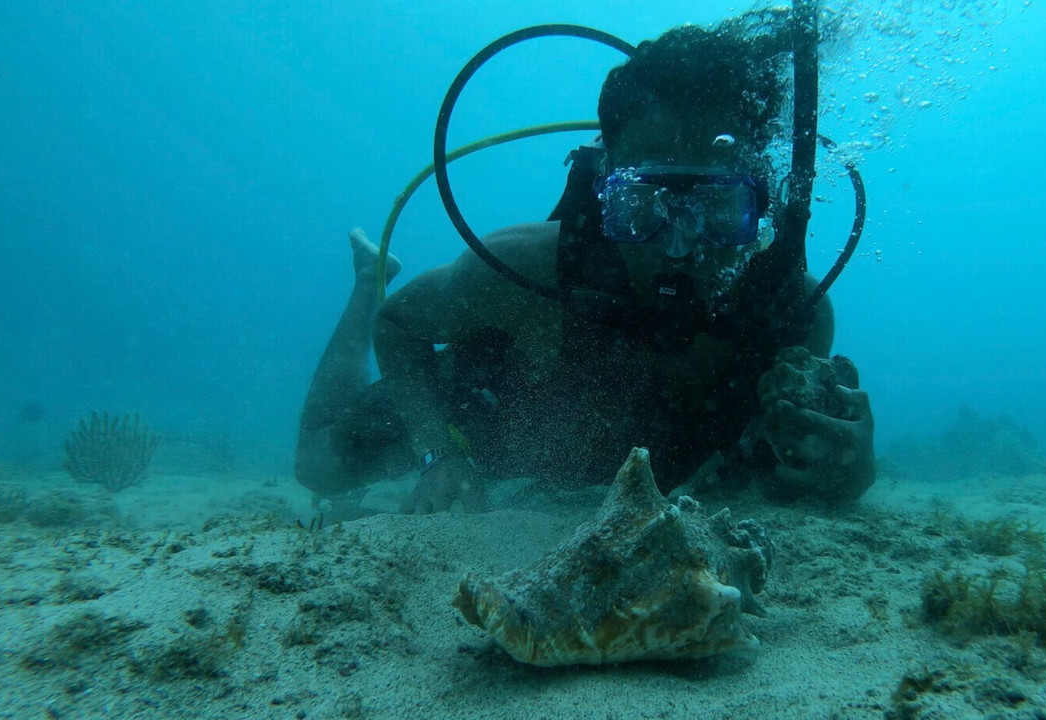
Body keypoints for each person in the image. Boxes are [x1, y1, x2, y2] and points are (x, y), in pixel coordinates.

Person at [294, 14, 875, 513]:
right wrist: (438, 453)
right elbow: (398, 326)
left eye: (719, 208)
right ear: (603, 184)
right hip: (487, 415)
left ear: (763, 198)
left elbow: (788, 458)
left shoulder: (793, 315)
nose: (678, 247)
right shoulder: (524, 267)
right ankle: (364, 283)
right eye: (640, 205)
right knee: (316, 467)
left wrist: (846, 466)